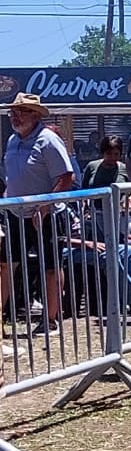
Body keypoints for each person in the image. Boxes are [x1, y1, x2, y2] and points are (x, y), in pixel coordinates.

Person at [1, 94, 76, 334]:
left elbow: (66, 177)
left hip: (46, 214)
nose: (15, 115)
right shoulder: (12, 140)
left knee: (51, 266)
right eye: (13, 111)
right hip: (15, 212)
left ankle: (51, 319)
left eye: (22, 111)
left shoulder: (48, 140)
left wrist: (44, 205)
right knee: (4, 264)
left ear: (36, 114)